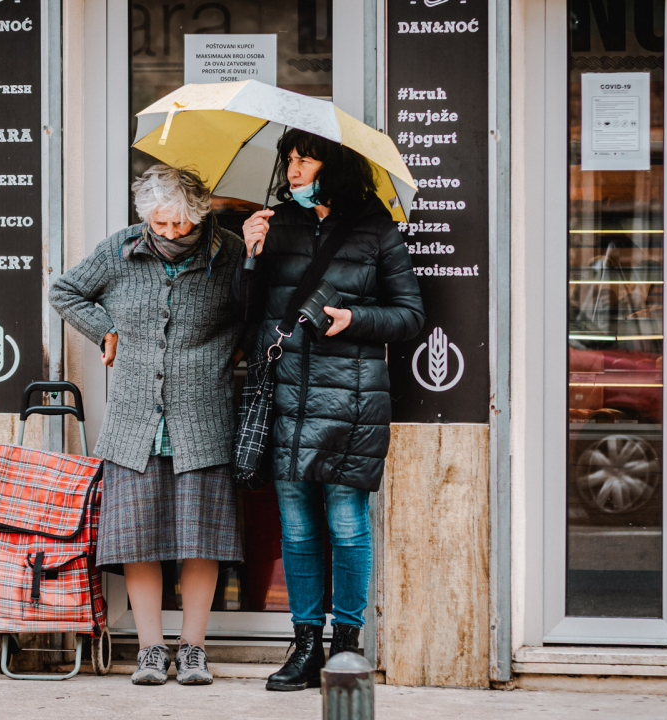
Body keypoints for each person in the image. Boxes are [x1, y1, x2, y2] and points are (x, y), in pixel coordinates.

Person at [237, 129, 424, 691]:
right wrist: (249, 258)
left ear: (334, 167)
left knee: (346, 524)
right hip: (287, 397)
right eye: (289, 160)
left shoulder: (376, 228)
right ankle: (304, 647)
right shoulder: (274, 225)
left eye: (306, 160)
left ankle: (345, 646)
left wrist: (355, 319)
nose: (293, 171)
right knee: (296, 530)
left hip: (351, 402)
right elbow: (245, 318)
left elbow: (410, 316)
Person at [50, 165, 246, 686]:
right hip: (133, 424)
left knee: (201, 540)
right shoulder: (120, 250)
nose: (170, 232)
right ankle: (151, 650)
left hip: (203, 418)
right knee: (138, 541)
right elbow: (65, 291)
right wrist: (105, 329)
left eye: (181, 224)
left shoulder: (229, 254)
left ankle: (194, 649)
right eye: (160, 224)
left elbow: (257, 311)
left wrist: (236, 347)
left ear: (199, 216)